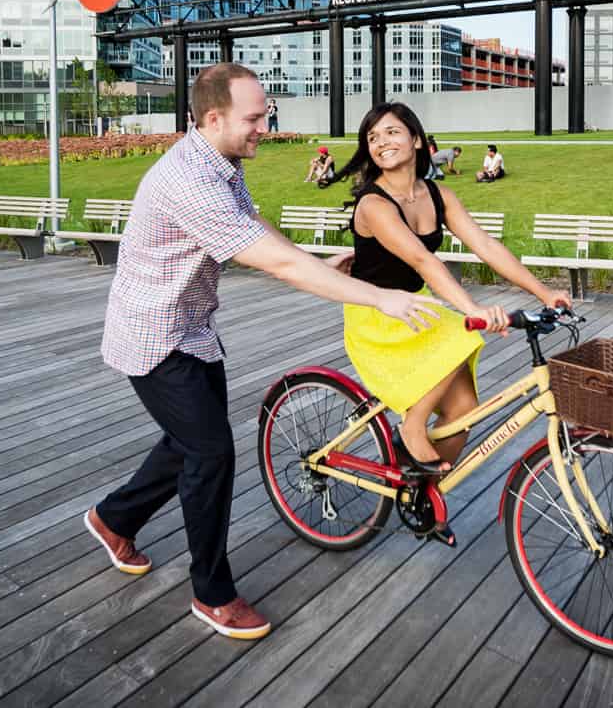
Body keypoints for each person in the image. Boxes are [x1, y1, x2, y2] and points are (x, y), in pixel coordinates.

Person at [84, 63, 436, 641]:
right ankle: (212, 593)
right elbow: (272, 263)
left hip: (192, 323)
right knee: (211, 451)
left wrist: (311, 259)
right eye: (254, 116)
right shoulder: (187, 181)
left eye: (265, 112)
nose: (264, 125)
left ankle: (113, 518)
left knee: (189, 442)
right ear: (214, 117)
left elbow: (254, 226)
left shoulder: (220, 163)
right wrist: (379, 298)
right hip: (151, 334)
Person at [325, 103, 571, 477]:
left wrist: (543, 292)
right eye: (372, 137)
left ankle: (427, 489)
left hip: (417, 304)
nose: (381, 142)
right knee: (460, 335)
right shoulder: (374, 203)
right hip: (378, 313)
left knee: (463, 410)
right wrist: (472, 309)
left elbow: (485, 245)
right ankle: (411, 426)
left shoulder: (438, 194)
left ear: (417, 139)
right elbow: (425, 261)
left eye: (391, 132)